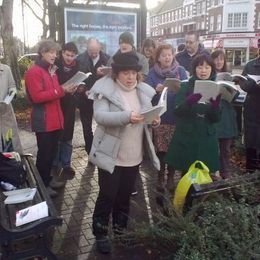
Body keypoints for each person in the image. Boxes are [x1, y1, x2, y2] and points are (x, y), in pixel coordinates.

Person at [89, 51, 160, 254]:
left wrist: (154, 120)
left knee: (124, 197)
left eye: (133, 73)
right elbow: (100, 116)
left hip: (133, 155)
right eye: (126, 73)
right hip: (111, 155)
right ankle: (100, 232)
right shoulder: (105, 90)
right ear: (116, 73)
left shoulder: (143, 91)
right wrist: (127, 116)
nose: (130, 77)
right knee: (107, 195)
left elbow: (146, 116)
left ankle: (120, 231)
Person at [25, 40, 76, 197]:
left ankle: (48, 179)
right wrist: (61, 90)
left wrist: (67, 90)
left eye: (55, 52)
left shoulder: (51, 70)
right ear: (42, 52)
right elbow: (37, 96)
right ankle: (42, 186)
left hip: (55, 120)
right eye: (51, 52)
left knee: (51, 153)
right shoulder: (34, 72)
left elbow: (56, 93)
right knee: (44, 156)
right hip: (44, 121)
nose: (54, 55)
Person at [165, 54, 221, 180]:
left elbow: (216, 119)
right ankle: (186, 195)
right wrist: (189, 102)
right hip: (188, 135)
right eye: (200, 67)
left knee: (204, 174)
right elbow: (177, 111)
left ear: (212, 69)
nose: (203, 71)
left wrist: (215, 106)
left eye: (207, 67)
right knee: (187, 173)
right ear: (194, 69)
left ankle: (200, 198)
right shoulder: (186, 86)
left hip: (206, 137)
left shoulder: (215, 88)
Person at [146, 44, 187, 190]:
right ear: (158, 58)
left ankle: (170, 177)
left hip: (177, 116)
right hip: (160, 117)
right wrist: (155, 90)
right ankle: (160, 177)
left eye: (169, 54)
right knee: (161, 150)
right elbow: (147, 93)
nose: (167, 57)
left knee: (174, 149)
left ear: (173, 55)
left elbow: (187, 89)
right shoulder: (152, 72)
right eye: (164, 55)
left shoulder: (181, 71)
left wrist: (180, 89)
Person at [77, 38, 110, 158]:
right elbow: (77, 78)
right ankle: (90, 153)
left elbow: (112, 79)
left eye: (96, 51)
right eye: (91, 51)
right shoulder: (79, 59)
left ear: (100, 47)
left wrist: (104, 74)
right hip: (84, 99)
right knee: (86, 128)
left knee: (104, 127)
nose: (94, 54)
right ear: (87, 48)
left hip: (101, 99)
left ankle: (102, 152)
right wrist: (83, 88)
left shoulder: (107, 59)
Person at [211, 50, 238, 179]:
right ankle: (213, 170)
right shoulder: (209, 75)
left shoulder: (229, 76)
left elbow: (235, 96)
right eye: (216, 59)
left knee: (226, 148)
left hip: (226, 114)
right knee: (212, 146)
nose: (219, 61)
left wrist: (234, 88)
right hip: (214, 113)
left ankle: (225, 171)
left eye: (221, 59)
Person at [55, 42, 79, 176]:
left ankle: (66, 164)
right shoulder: (55, 66)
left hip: (70, 105)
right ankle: (56, 164)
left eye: (72, 55)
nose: (69, 58)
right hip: (57, 104)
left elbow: (82, 83)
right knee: (57, 135)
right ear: (62, 53)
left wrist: (80, 88)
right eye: (67, 55)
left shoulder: (77, 67)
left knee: (68, 136)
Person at [236, 43, 260, 172]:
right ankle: (250, 171)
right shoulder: (250, 65)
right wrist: (251, 85)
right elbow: (243, 84)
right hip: (252, 110)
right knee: (251, 141)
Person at [0, 62, 23, 154]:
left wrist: (12, 92)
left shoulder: (6, 69)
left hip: (5, 113)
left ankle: (11, 166)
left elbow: (12, 86)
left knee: (9, 146)